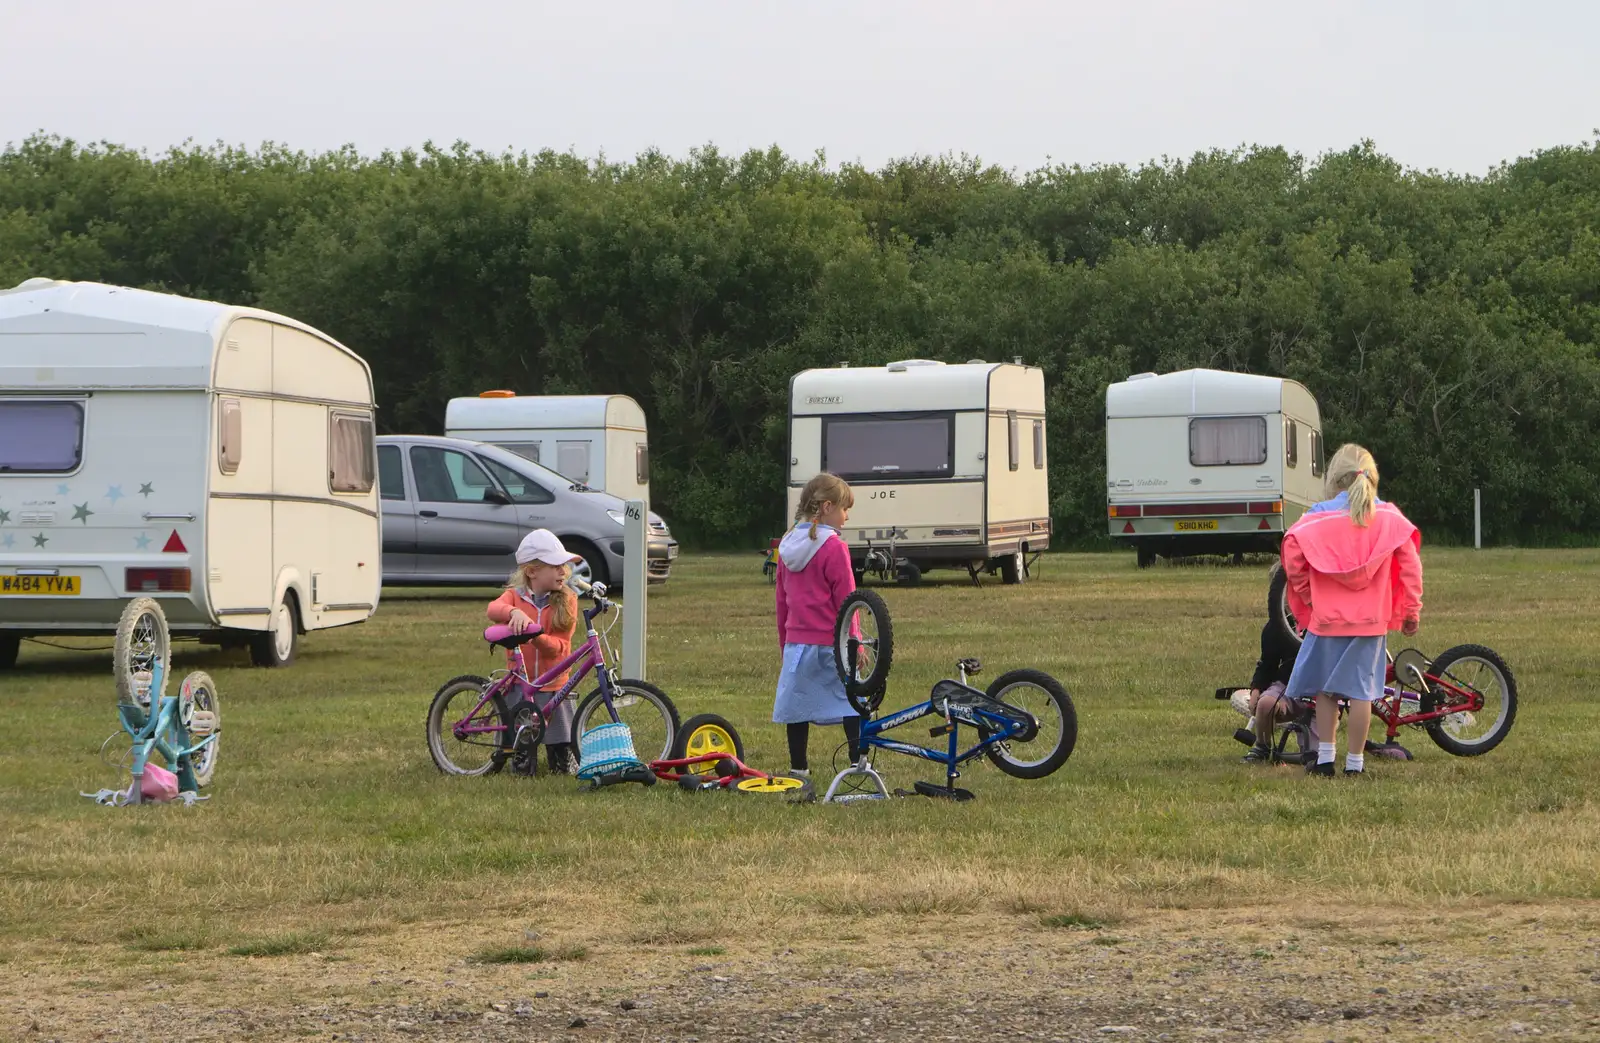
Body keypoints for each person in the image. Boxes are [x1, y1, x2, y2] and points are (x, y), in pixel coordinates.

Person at [1281, 444, 1422, 777]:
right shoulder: (1388, 517)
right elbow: (1410, 564)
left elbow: (1292, 551)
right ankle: (1355, 764)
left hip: (1328, 620)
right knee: (1362, 693)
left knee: (1326, 690)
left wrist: (1307, 594)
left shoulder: (1318, 515)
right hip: (1370, 622)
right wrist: (1411, 608)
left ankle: (1326, 759)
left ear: (1335, 478)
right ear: (1371, 477)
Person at [774, 473, 862, 780]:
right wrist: (855, 641)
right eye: (844, 509)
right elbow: (847, 600)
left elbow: (782, 601)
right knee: (852, 702)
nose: (846, 517)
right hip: (832, 643)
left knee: (796, 708)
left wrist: (785, 643)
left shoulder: (787, 545)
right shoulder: (834, 547)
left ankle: (798, 768)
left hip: (798, 644)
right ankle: (857, 763)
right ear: (826, 507)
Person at [487, 530, 583, 774]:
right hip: (522, 682)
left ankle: (560, 755)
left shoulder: (567, 600)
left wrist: (535, 635)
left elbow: (560, 648)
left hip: (554, 684)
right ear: (532, 572)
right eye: (555, 565)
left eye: (564, 565)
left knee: (561, 740)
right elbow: (493, 608)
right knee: (523, 735)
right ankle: (521, 757)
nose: (564, 571)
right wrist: (513, 613)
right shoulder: (515, 597)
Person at [1239, 614, 1303, 762]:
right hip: (1287, 686)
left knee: (1314, 754)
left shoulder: (1329, 621)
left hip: (1322, 693)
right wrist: (1256, 689)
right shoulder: (1280, 623)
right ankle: (1262, 747)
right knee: (1265, 704)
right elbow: (1268, 663)